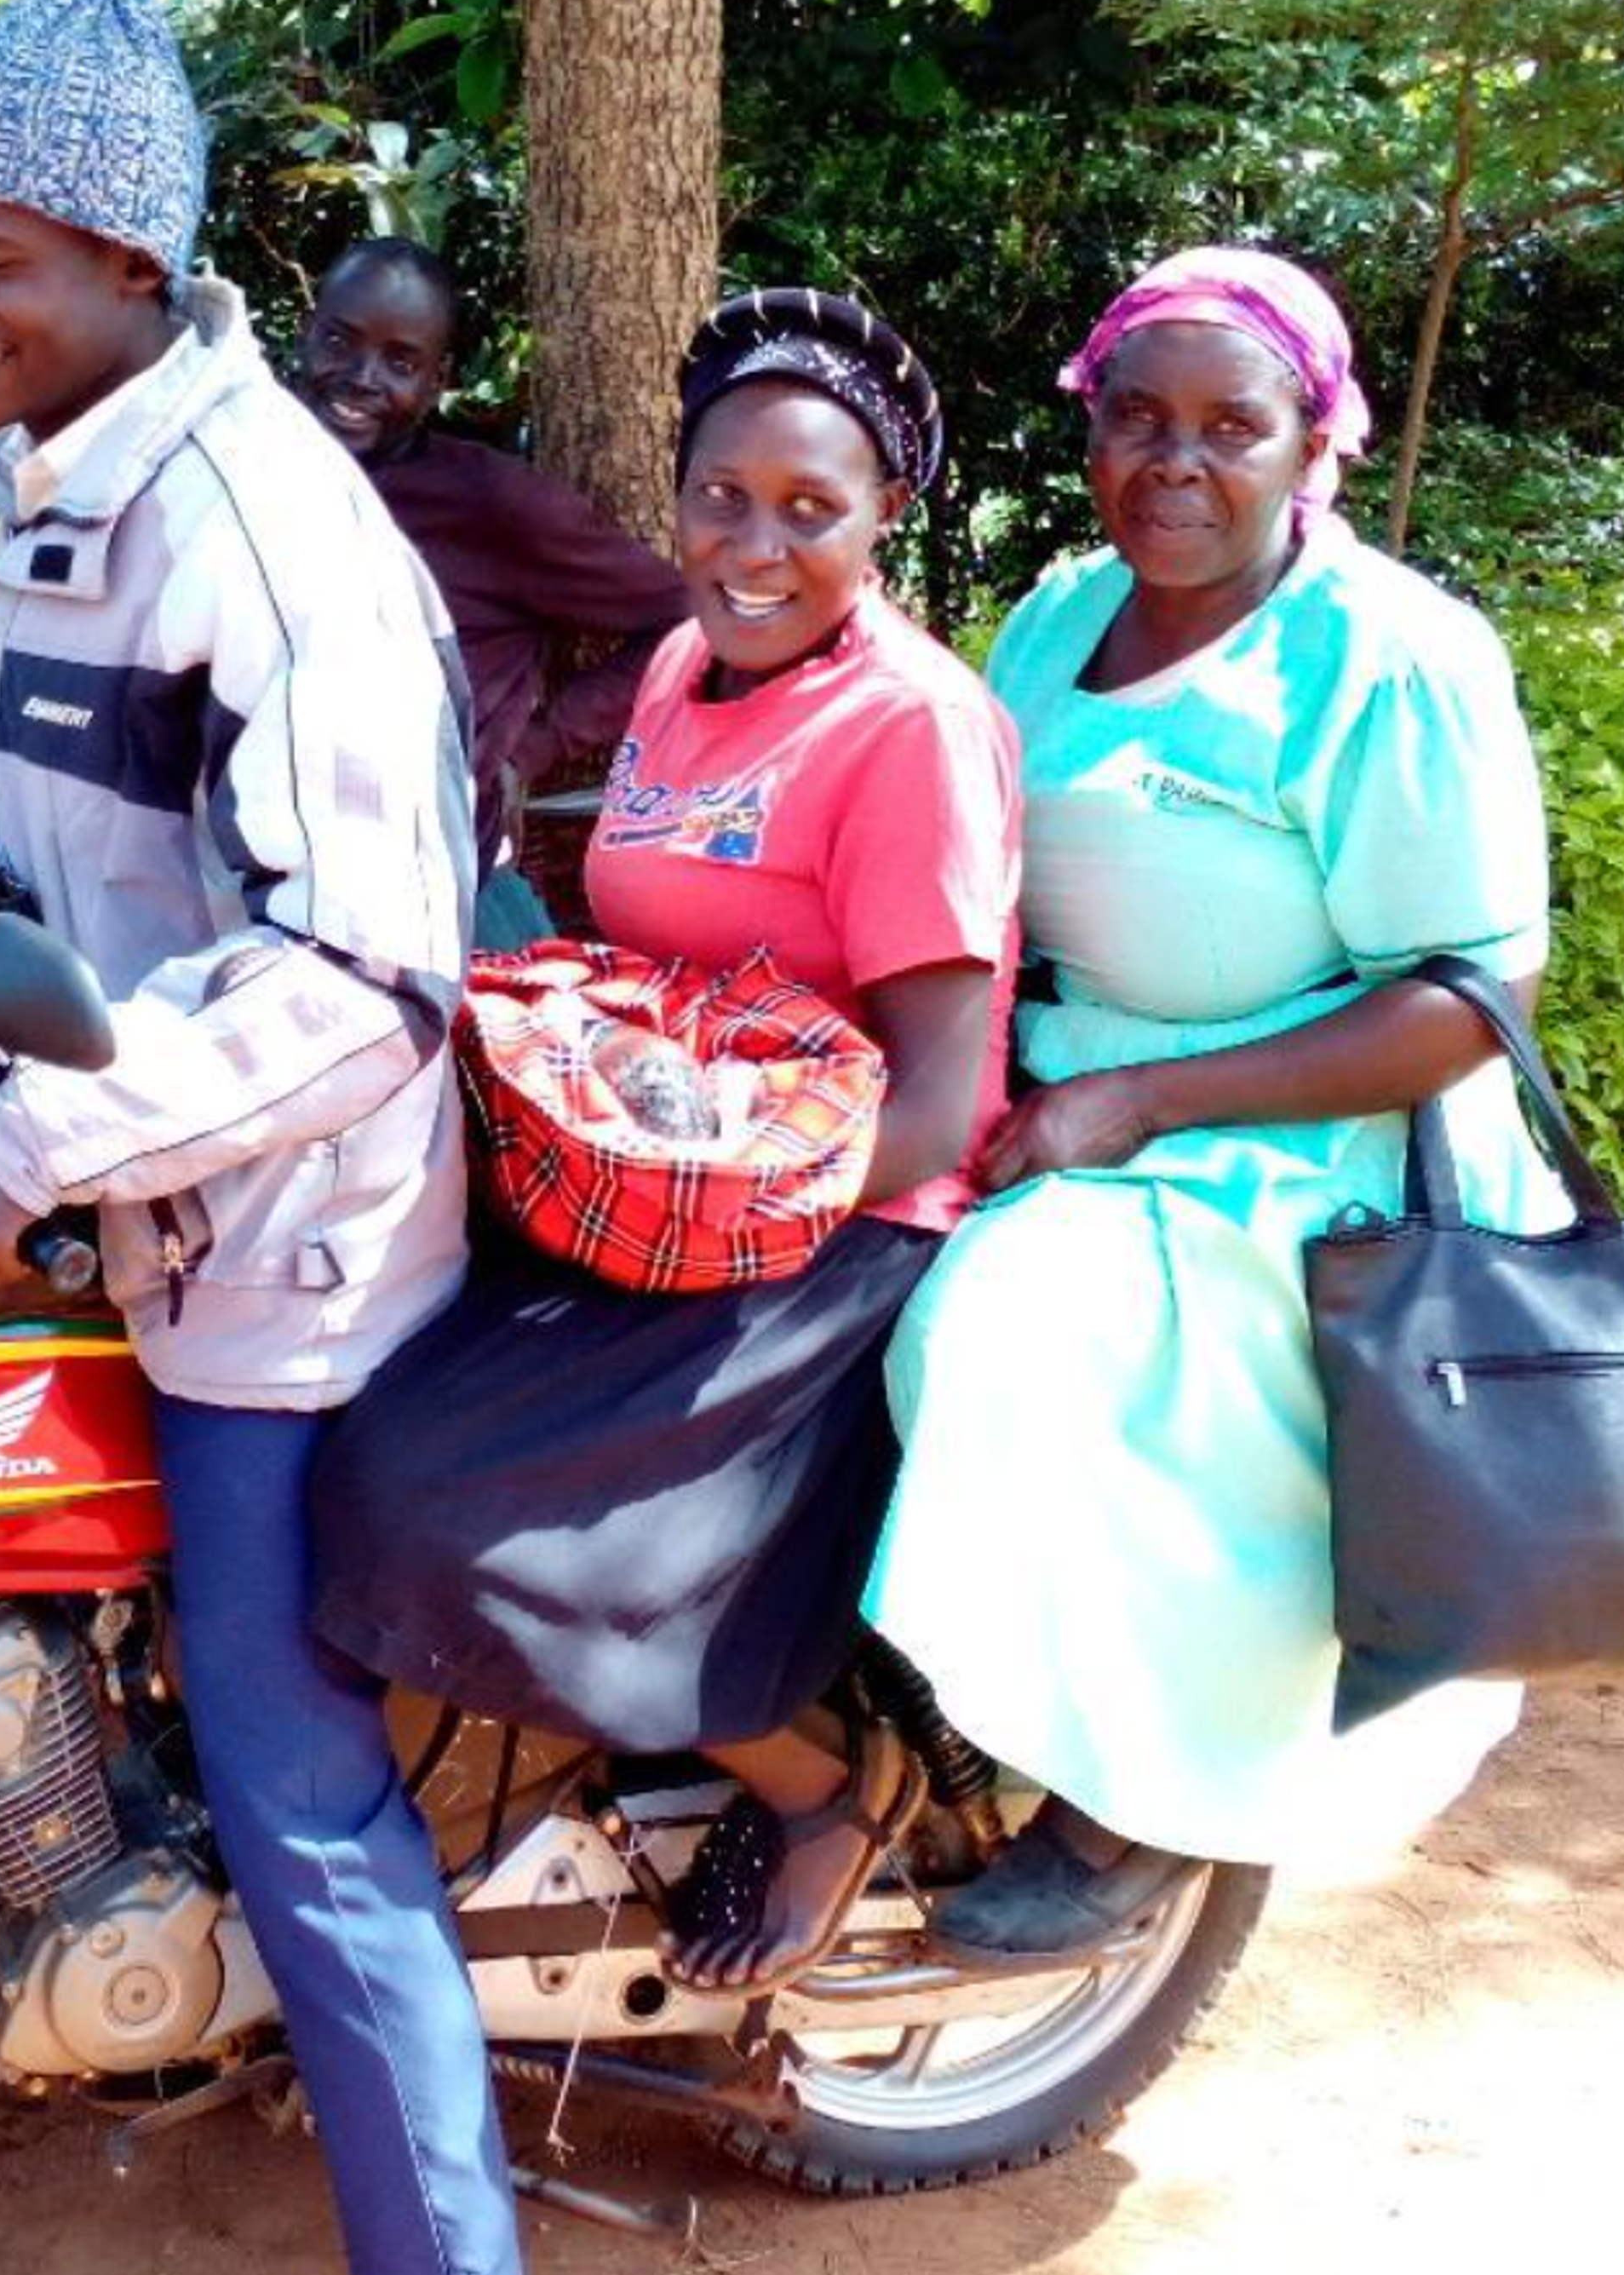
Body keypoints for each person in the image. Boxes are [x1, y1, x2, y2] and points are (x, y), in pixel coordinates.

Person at [0, 0, 571, 2275]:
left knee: (296, 1777)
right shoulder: (54, 484)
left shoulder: (265, 529)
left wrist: (28, 1146)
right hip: (129, 1199)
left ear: (129, 258)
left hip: (281, 1252)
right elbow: (56, 866)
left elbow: (361, 979)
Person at [312, 289, 1021, 1997]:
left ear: (882, 520)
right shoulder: (682, 671)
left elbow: (943, 1090)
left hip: (837, 1224)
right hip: (655, 1182)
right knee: (339, 1403)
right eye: (721, 496)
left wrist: (714, 1225)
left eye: (808, 509)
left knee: (429, 1504)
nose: (753, 543)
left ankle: (823, 1784)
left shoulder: (911, 726)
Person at [863, 246, 1559, 1957]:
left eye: (1231, 425)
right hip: (1066, 1093)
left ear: (1312, 442)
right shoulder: (1051, 616)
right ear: (1089, 431)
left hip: (1305, 1142)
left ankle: (1137, 1813)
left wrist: (1151, 1103)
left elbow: (1475, 999)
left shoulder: (1395, 654)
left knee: (1010, 1329)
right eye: (1137, 417)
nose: (1177, 459)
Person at [292, 238, 684, 891]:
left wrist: (537, 745)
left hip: (424, 880)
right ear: (306, 334)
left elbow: (686, 618)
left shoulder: (490, 503)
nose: (362, 377)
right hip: (250, 857)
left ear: (437, 381)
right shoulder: (250, 466)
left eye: (400, 362)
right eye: (339, 342)